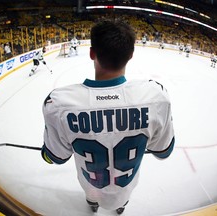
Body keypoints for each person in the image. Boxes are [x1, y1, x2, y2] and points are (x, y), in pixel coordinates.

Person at [41, 20, 175, 215]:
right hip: (126, 186)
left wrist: (46, 154)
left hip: (90, 185)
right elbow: (163, 152)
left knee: (92, 195)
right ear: (131, 55)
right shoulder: (156, 97)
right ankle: (120, 206)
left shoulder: (58, 104)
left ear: (91, 53)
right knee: (122, 199)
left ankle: (94, 203)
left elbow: (55, 158)